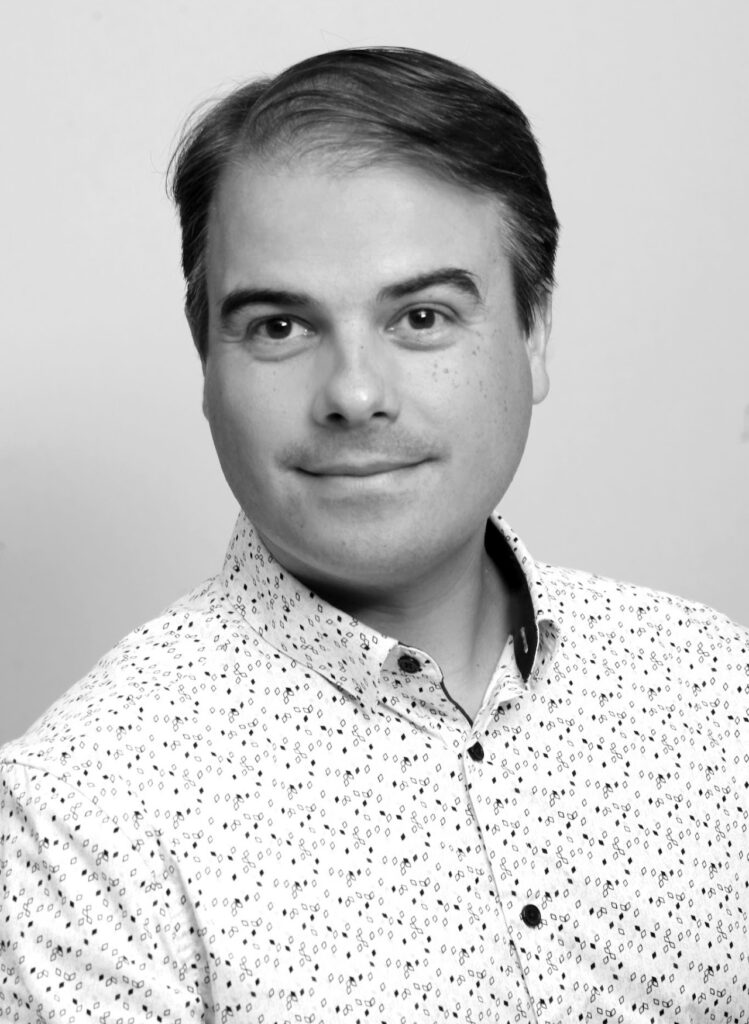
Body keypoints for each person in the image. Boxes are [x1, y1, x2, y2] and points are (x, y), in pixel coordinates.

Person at [1, 46, 747, 1024]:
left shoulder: (715, 693)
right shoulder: (77, 811)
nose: (353, 394)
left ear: (532, 335)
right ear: (206, 364)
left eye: (421, 316)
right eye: (279, 327)